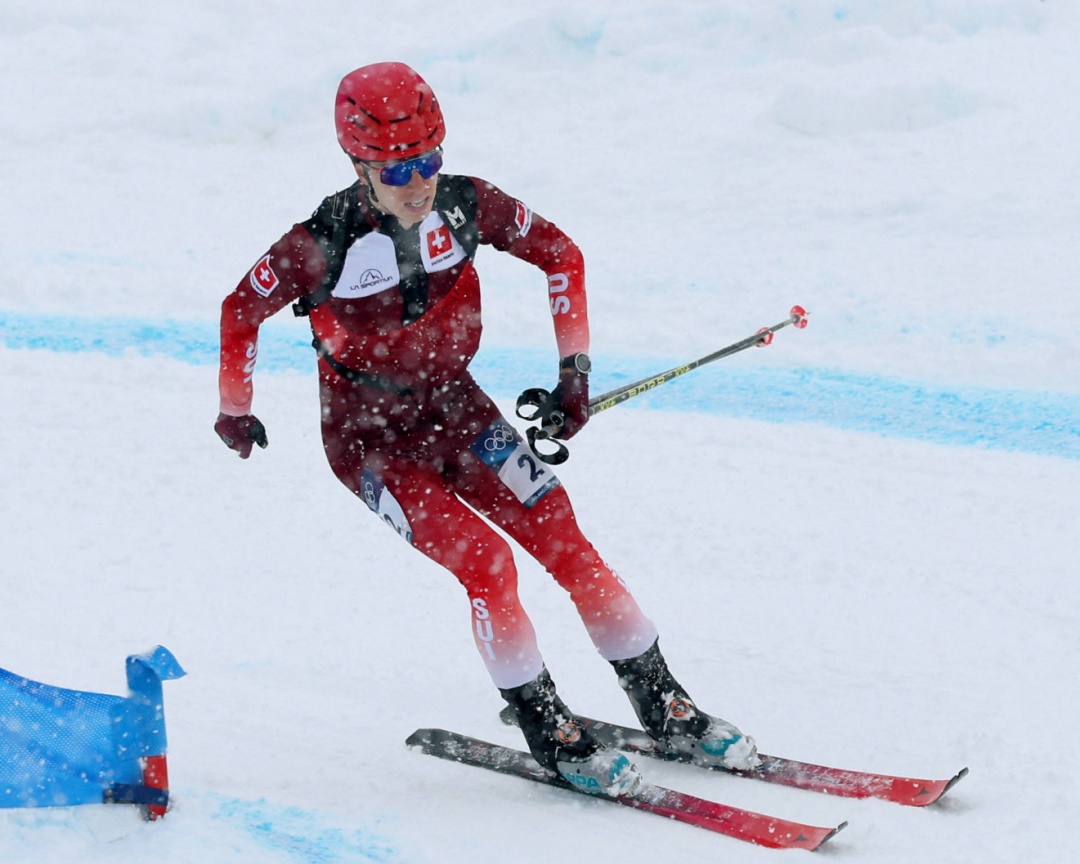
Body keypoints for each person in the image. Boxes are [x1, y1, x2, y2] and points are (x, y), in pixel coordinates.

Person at [215, 62, 759, 796]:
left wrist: (574, 374)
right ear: (358, 167)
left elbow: (562, 255)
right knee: (488, 564)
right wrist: (236, 408)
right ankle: (547, 727)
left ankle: (664, 704)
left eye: (429, 160)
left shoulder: (467, 205)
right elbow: (239, 309)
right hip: (372, 445)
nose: (418, 182)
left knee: (563, 536)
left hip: (459, 411)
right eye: (397, 169)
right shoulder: (321, 242)